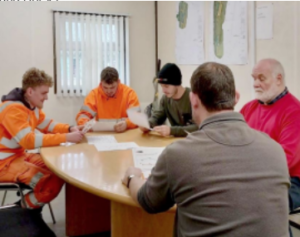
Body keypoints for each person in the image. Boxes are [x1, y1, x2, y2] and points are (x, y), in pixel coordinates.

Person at [123, 62, 290, 237]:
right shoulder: (275, 150)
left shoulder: (178, 155)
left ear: (193, 100)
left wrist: (132, 176)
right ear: (236, 97)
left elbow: (147, 201)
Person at [0, 68, 84, 209]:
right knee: (49, 182)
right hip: (3, 164)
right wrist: (66, 137)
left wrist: (70, 128)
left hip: (19, 156)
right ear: (30, 91)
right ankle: (18, 212)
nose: (46, 97)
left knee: (58, 170)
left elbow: (47, 124)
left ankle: (27, 208)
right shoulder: (13, 109)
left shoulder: (31, 106)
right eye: (44, 93)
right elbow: (29, 140)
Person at [240, 58, 300, 213]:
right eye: (254, 78)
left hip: (291, 179)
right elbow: (232, 140)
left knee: (266, 208)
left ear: (278, 79)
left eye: (261, 78)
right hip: (254, 175)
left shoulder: (294, 111)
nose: (255, 84)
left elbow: (285, 159)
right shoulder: (248, 108)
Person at [140, 63, 198, 137]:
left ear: (177, 83)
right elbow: (157, 117)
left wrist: (172, 131)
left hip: (193, 142)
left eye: (166, 86)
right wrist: (147, 124)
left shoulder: (193, 97)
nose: (163, 90)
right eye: (162, 86)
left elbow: (198, 127)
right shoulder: (165, 99)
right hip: (175, 142)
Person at [76, 67, 140, 133]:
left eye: (112, 87)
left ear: (118, 82)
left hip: (124, 133)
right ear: (101, 84)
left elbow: (137, 117)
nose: (109, 91)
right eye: (105, 87)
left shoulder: (129, 93)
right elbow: (83, 115)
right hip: (101, 134)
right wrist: (85, 124)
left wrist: (127, 124)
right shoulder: (94, 94)